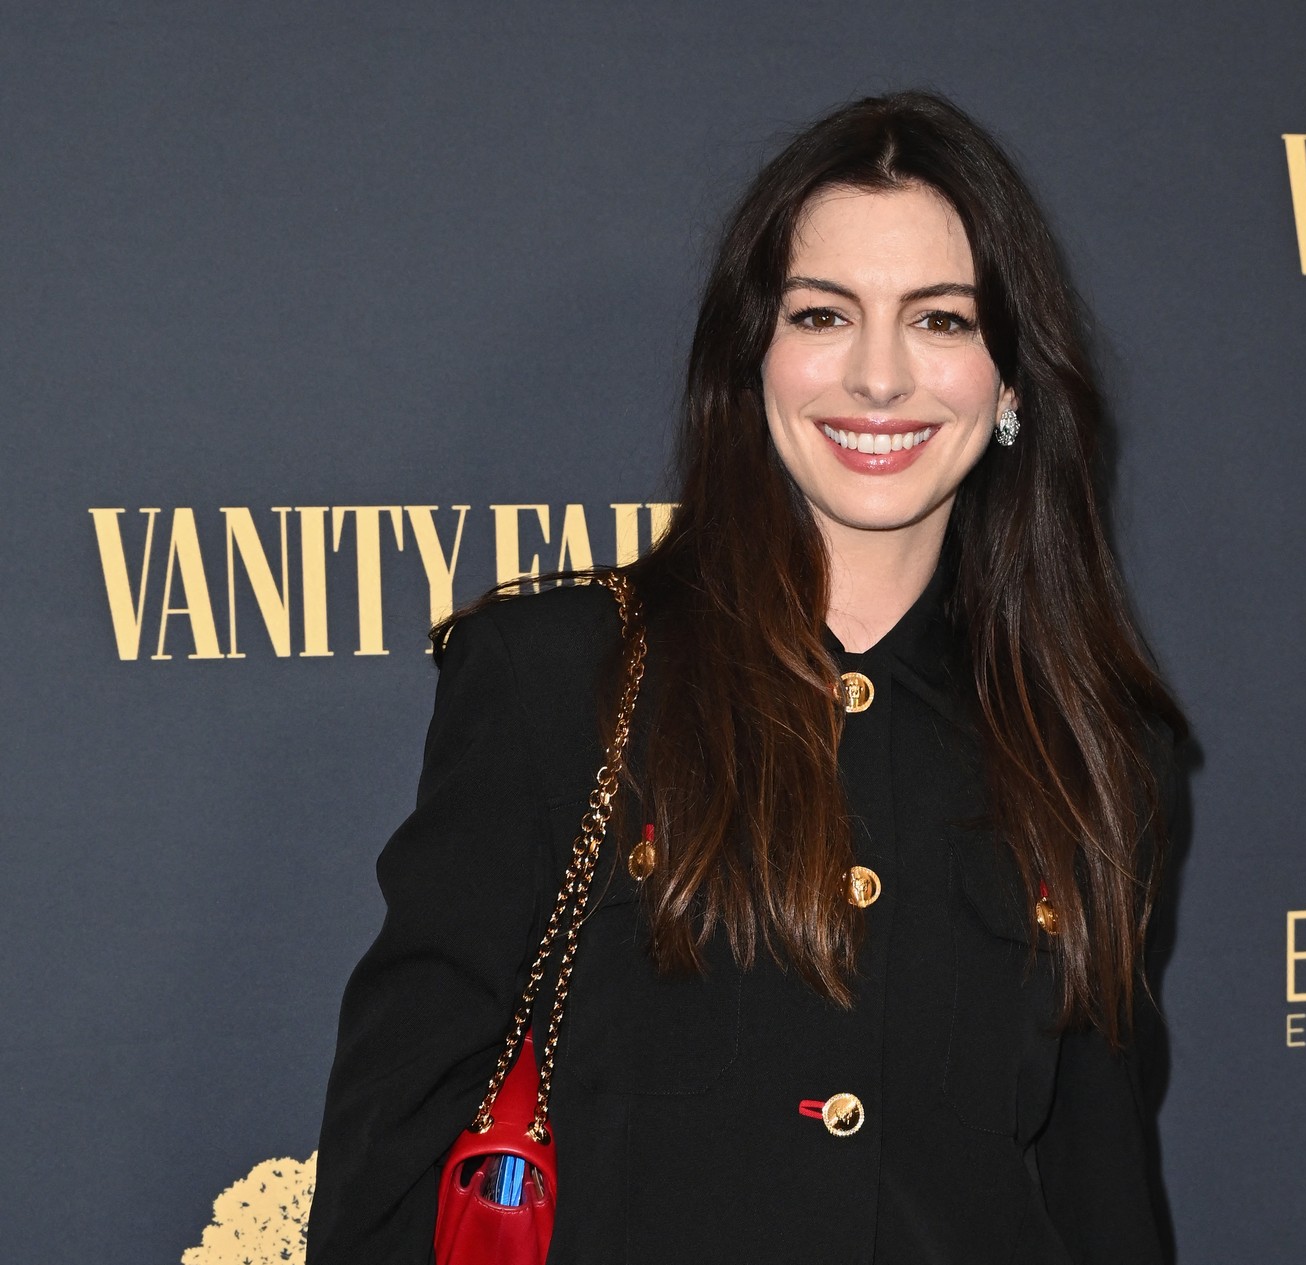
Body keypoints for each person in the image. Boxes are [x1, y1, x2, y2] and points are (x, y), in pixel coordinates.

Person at [309, 88, 1188, 1265]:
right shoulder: (561, 676)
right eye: (824, 314)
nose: (879, 378)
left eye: (941, 321)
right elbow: (387, 1156)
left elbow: (1100, 1190)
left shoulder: (1094, 744)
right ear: (752, 356)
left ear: (1014, 382)